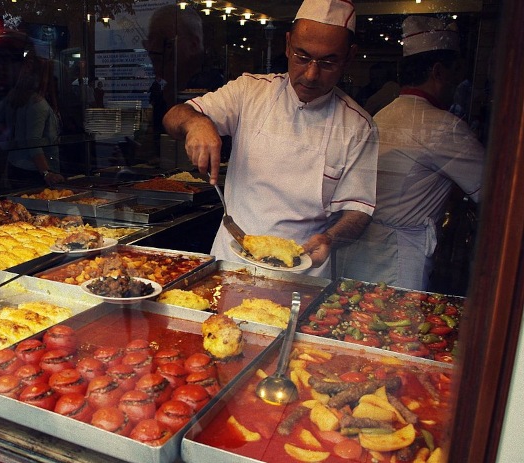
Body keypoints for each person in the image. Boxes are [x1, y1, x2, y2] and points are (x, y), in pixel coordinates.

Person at [162, 0, 378, 278]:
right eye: (302, 57)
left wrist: (331, 238)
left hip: (301, 272)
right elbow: (173, 117)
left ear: (349, 57)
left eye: (327, 62)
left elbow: (358, 210)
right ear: (287, 45)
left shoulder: (359, 126)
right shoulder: (249, 92)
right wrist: (196, 123)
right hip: (231, 262)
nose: (311, 74)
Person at [338, 16, 485, 291]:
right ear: (439, 72)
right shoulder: (444, 127)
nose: (459, 82)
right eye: (456, 72)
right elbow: (493, 192)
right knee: (395, 330)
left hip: (360, 251)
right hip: (399, 257)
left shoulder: (384, 112)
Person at [0, 54, 64, 189]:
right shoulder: (37, 104)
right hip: (34, 172)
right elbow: (33, 143)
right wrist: (46, 173)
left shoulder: (14, 97)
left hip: (17, 165)